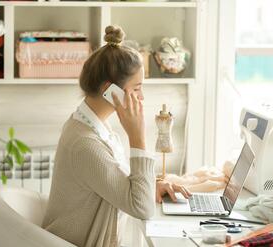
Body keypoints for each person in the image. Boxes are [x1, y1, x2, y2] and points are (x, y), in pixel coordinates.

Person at [42, 25, 191, 247]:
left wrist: (151, 187)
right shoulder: (85, 143)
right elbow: (141, 208)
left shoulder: (90, 124)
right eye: (137, 88)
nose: (141, 97)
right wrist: (137, 135)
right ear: (111, 90)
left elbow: (116, 183)